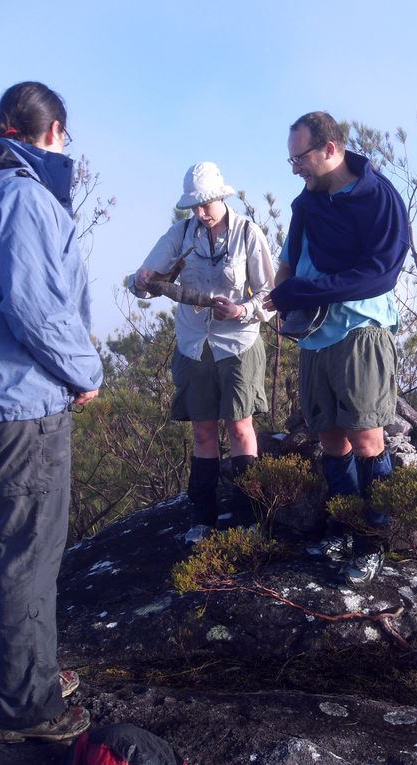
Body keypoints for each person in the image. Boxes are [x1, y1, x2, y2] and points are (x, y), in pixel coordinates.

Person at [0, 82, 103, 743]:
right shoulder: (22, 197)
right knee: (30, 553)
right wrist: (87, 371)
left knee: (9, 546)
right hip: (25, 401)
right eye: (65, 138)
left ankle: (29, 672)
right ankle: (27, 707)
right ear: (49, 133)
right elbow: (36, 308)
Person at [263, 112, 410, 589]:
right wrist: (276, 304)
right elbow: (288, 259)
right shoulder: (307, 203)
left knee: (367, 437)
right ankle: (344, 528)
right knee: (329, 437)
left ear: (331, 149)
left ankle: (374, 542)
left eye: (300, 157)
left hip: (360, 332)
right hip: (314, 336)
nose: (295, 168)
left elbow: (382, 273)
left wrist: (306, 293)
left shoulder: (377, 197)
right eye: (291, 159)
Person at [131, 162, 274, 544]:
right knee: (202, 431)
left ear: (220, 196)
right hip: (194, 345)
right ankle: (202, 517)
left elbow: (271, 295)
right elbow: (145, 280)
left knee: (241, 428)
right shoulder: (182, 234)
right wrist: (141, 282)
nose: (199, 213)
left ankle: (248, 516)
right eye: (193, 206)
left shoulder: (247, 233)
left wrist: (243, 310)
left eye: (204, 205)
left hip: (238, 344)